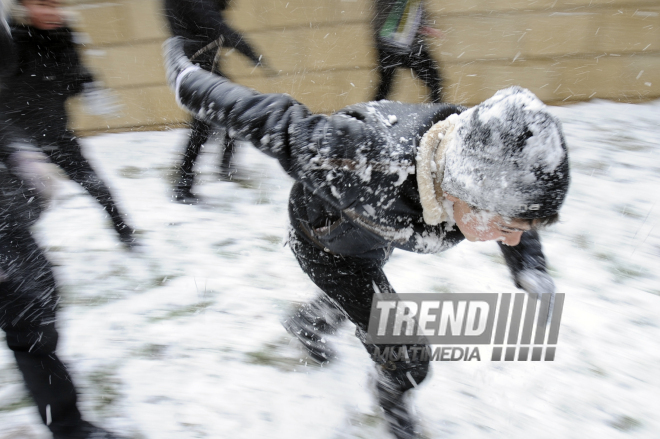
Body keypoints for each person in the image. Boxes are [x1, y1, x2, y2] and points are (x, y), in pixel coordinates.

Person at [164, 36, 570, 439]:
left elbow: (517, 209)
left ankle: (306, 323)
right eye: (506, 229)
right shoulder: (365, 160)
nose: (511, 240)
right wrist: (188, 81)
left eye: (518, 232)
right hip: (325, 243)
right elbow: (274, 120)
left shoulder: (479, 157)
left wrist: (529, 269)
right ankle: (393, 405)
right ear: (466, 189)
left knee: (360, 300)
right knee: (407, 355)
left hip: (372, 234)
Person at [0, 5, 124, 439]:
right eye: (42, 3)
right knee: (28, 312)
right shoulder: (15, 36)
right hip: (30, 135)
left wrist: (17, 151)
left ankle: (69, 428)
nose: (49, 11)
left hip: (38, 145)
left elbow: (62, 78)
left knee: (33, 313)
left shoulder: (46, 36)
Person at [0, 0, 137, 248]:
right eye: (42, 5)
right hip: (16, 139)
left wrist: (89, 86)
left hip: (55, 131)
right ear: (23, 8)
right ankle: (21, 259)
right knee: (22, 205)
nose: (51, 12)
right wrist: (15, 145)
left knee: (95, 185)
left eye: (55, 5)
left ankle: (125, 233)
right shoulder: (12, 41)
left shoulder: (63, 35)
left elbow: (72, 73)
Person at [163, 0, 274, 204]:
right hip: (198, 67)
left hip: (197, 64)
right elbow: (216, 27)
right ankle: (184, 184)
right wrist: (251, 53)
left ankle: (218, 168)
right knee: (209, 124)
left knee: (228, 113)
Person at [372, 0, 444, 103]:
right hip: (399, 45)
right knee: (434, 80)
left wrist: (424, 26)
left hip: (395, 45)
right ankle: (438, 113)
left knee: (385, 87)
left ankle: (372, 111)